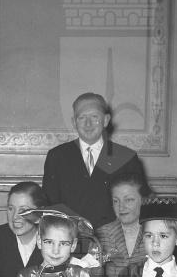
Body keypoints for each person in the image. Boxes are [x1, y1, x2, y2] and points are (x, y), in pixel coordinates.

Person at [42, 92, 147, 229]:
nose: (88, 124)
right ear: (74, 122)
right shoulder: (57, 156)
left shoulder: (126, 157)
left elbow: (140, 206)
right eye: (82, 117)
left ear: (106, 120)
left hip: (114, 238)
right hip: (70, 238)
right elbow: (50, 206)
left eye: (94, 117)